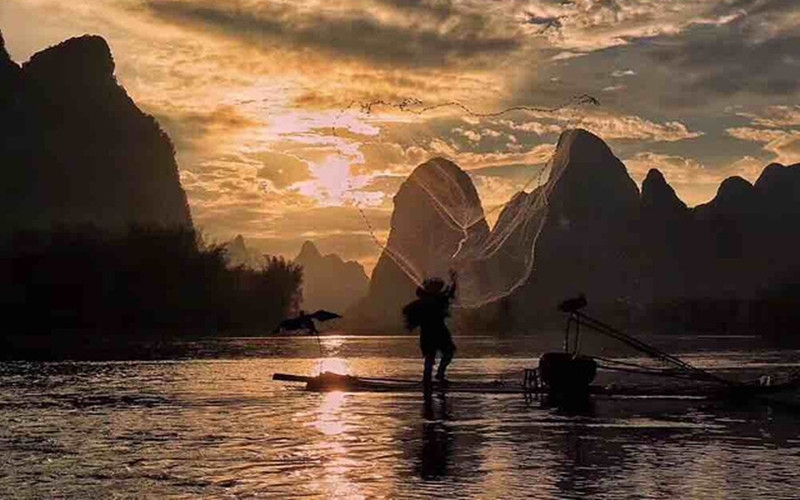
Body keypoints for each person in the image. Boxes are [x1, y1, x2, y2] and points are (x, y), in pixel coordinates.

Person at [403, 270, 457, 387]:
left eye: (438, 287)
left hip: (439, 332)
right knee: (430, 358)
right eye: (435, 286)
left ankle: (439, 375)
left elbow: (449, 294)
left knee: (448, 353)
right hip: (430, 333)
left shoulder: (439, 299)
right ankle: (428, 380)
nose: (437, 288)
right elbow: (407, 310)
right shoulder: (426, 301)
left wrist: (453, 281)